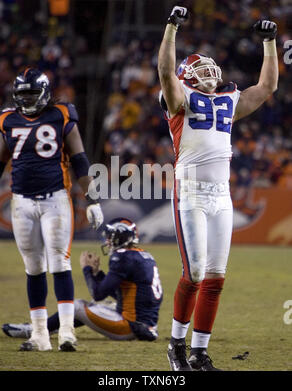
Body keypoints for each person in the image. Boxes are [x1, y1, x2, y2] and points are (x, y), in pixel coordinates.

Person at [158, 7, 278, 371]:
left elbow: (267, 87)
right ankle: (176, 345)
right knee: (193, 273)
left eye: (210, 68)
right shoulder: (179, 99)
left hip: (221, 195)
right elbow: (165, 70)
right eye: (199, 70)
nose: (208, 73)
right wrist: (171, 27)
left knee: (215, 275)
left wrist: (270, 43)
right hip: (190, 192)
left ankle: (199, 352)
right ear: (186, 78)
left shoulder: (229, 101)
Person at [0, 68, 104, 352]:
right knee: (33, 268)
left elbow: (79, 159)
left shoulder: (61, 115)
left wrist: (92, 200)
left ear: (44, 93)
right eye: (23, 95)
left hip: (55, 199)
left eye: (32, 94)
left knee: (59, 263)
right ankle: (40, 334)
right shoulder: (8, 119)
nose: (27, 100)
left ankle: (67, 332)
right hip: (22, 202)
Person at [2, 217, 163, 342]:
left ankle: (36, 330)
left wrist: (86, 269)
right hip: (145, 324)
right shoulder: (144, 255)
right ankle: (54, 327)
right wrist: (97, 273)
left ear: (119, 237)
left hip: (130, 326)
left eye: (110, 237)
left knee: (77, 306)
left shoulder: (122, 257)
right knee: (95, 307)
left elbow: (98, 293)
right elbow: (123, 294)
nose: (107, 241)